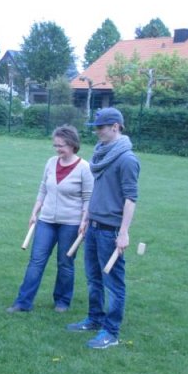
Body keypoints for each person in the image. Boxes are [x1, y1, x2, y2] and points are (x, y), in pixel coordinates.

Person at [67, 107, 140, 349]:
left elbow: (131, 198)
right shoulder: (100, 155)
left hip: (111, 230)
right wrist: (87, 217)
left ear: (116, 127)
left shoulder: (127, 159)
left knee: (114, 284)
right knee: (93, 279)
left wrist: (124, 232)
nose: (97, 132)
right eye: (96, 127)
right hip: (94, 226)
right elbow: (98, 191)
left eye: (101, 127)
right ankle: (94, 320)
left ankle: (111, 332)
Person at [7, 125, 93, 314]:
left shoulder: (84, 168)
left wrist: (84, 221)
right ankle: (23, 302)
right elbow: (43, 189)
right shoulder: (51, 162)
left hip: (71, 223)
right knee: (36, 261)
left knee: (65, 263)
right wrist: (34, 212)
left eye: (61, 145)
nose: (57, 149)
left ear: (72, 144)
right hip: (46, 220)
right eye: (55, 145)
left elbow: (88, 198)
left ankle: (62, 301)